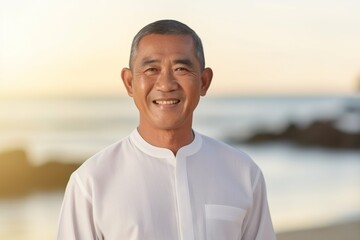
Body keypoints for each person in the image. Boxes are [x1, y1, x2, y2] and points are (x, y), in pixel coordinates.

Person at [57, 19, 276, 240]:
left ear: (204, 81)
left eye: (181, 68)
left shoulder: (244, 173)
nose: (166, 84)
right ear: (129, 82)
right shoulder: (91, 182)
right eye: (152, 69)